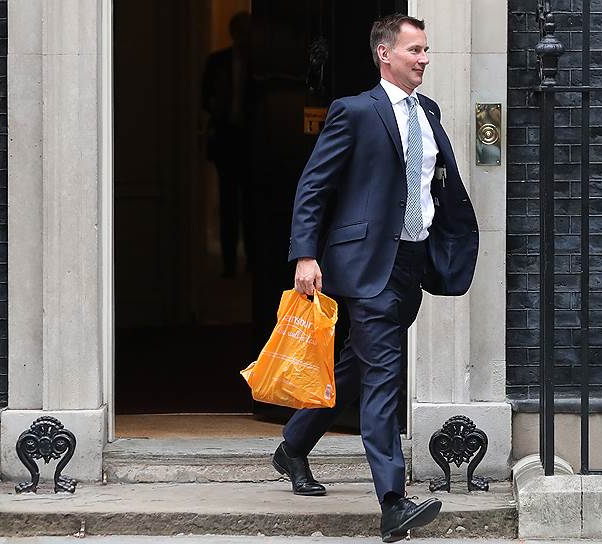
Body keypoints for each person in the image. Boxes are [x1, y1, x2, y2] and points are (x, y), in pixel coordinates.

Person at [271, 14, 479, 543]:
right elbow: (314, 186)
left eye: (426, 50)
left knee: (357, 370)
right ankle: (392, 501)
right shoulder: (355, 111)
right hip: (366, 266)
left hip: (411, 263)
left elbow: (435, 187)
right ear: (385, 54)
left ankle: (293, 447)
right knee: (385, 377)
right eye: (415, 50)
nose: (424, 59)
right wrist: (305, 255)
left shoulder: (429, 112)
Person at [202, 11, 254, 277]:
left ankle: (253, 262)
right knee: (228, 204)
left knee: (252, 205)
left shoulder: (258, 63)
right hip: (226, 139)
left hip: (253, 143)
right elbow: (204, 98)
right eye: (241, 32)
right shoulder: (217, 61)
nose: (245, 37)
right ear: (233, 34)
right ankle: (229, 263)